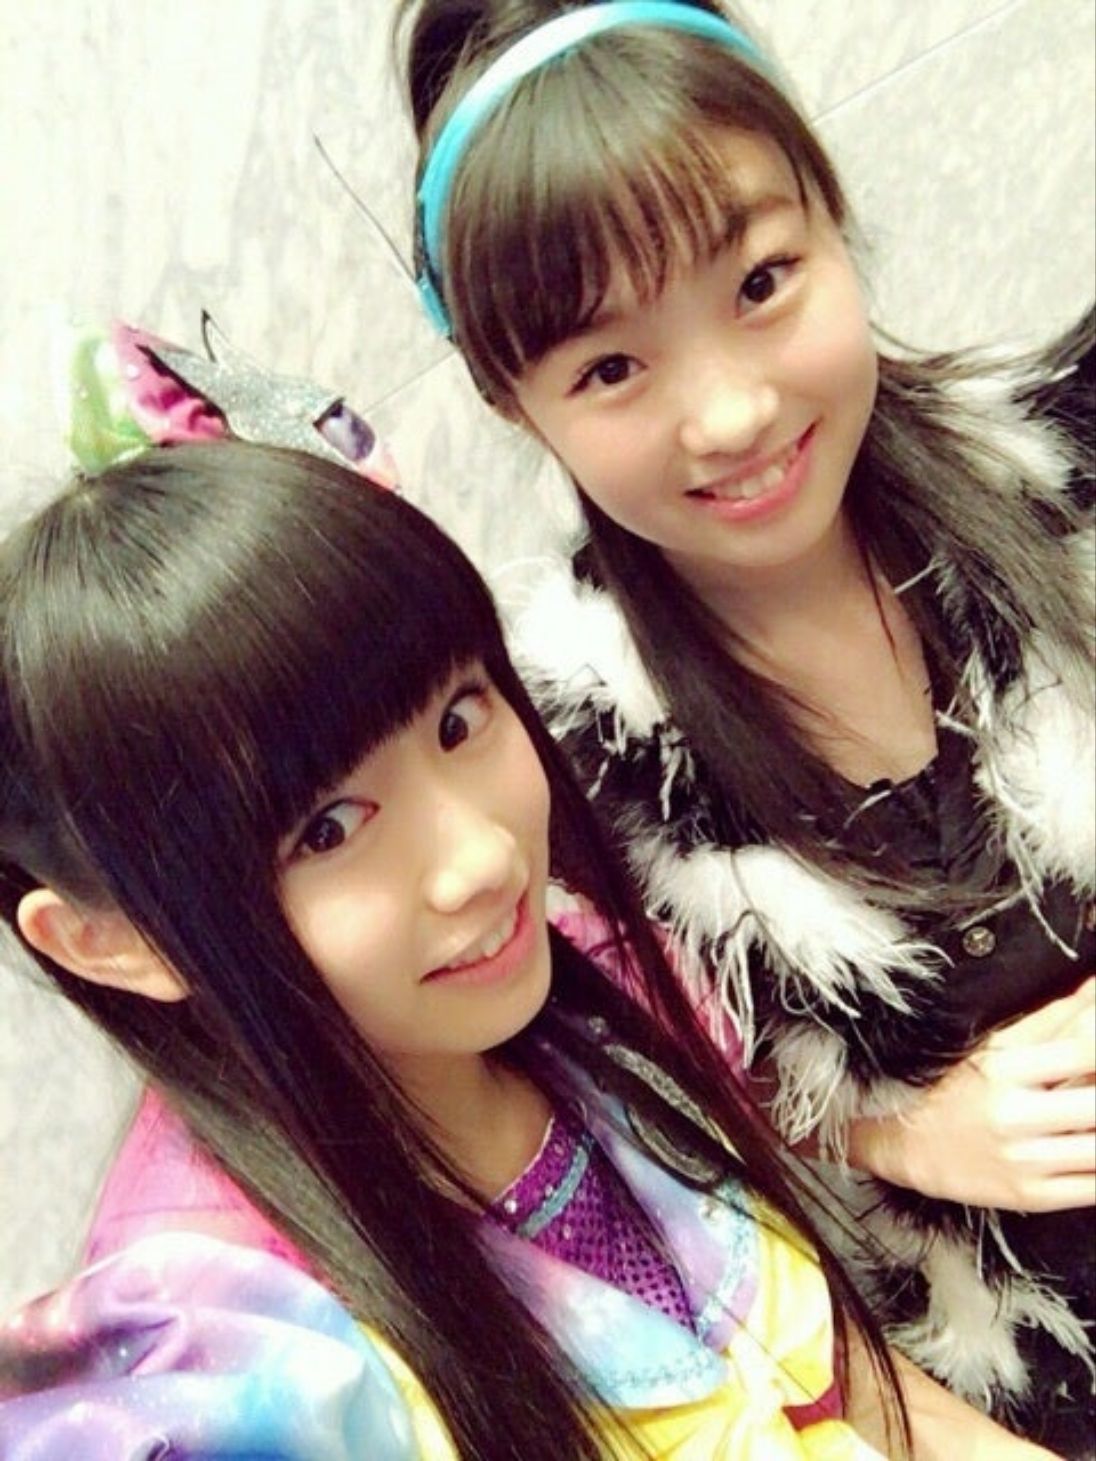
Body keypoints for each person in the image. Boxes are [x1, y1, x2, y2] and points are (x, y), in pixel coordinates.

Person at [2, 321, 1056, 1460]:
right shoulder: (228, 1354)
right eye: (328, 829)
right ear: (109, 940)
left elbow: (862, 1392)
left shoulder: (579, 986)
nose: (482, 858)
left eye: (459, 720)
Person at [396, 2, 1096, 1453]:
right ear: (511, 402)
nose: (726, 413)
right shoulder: (549, 763)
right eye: (610, 368)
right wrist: (896, 1126)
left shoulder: (1063, 476)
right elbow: (597, 1112)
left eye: (763, 282)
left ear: (833, 217)